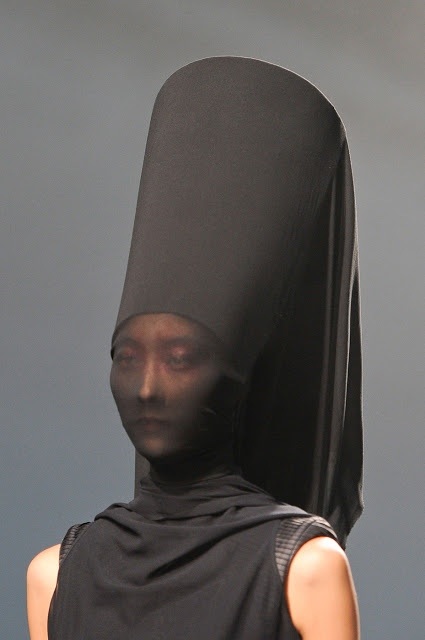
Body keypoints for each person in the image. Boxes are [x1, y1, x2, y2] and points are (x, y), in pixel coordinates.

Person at [27, 57, 363, 639]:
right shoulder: (57, 575)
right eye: (126, 357)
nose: (147, 387)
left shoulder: (305, 571)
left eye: (180, 359)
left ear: (234, 374)